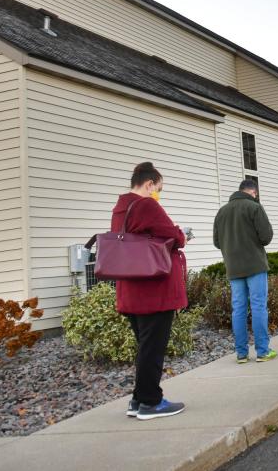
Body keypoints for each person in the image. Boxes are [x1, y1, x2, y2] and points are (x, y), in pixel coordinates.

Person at [112, 162, 186, 421]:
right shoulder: (146, 204)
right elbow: (173, 235)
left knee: (145, 347)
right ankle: (151, 402)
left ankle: (137, 399)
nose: (159, 194)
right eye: (159, 189)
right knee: (152, 349)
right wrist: (182, 234)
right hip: (153, 292)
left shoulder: (122, 207)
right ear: (149, 184)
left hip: (132, 291)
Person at [213, 179, 276, 363]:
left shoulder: (221, 212)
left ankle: (241, 354)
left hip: (233, 267)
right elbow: (266, 237)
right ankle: (263, 352)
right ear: (253, 192)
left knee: (238, 309)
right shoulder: (254, 207)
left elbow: (217, 242)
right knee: (258, 306)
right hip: (255, 265)